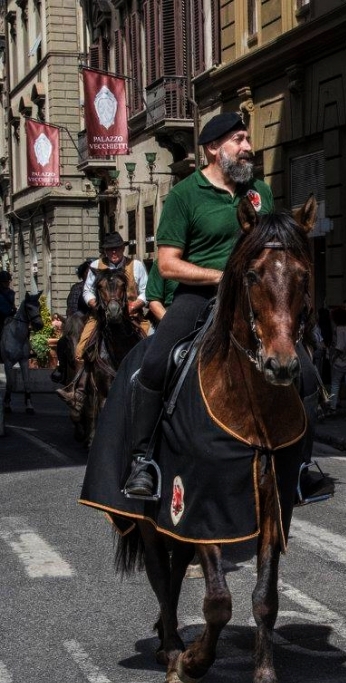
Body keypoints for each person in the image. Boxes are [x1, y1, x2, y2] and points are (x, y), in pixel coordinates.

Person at [122, 112, 280, 497]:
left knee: (302, 367)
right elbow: (167, 263)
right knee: (157, 363)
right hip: (199, 296)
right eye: (239, 139)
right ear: (213, 149)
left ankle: (301, 461)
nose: (248, 146)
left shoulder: (261, 193)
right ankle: (141, 461)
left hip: (254, 297)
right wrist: (220, 277)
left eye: (247, 139)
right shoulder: (184, 195)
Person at [76, 231, 149, 365]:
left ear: (123, 248)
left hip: (131, 316)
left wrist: (135, 305)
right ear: (105, 251)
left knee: (151, 348)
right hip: (100, 317)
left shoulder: (136, 265)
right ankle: (79, 384)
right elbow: (87, 291)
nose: (113, 252)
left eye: (117, 248)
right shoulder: (95, 266)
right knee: (80, 351)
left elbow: (146, 291)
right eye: (110, 249)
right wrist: (95, 304)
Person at [324, 306, 346, 419]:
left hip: (340, 362)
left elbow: (339, 347)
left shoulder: (339, 329)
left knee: (335, 384)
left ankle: (333, 408)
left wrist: (333, 357)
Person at [145, 261, 178, 330]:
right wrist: (171, 324)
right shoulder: (160, 263)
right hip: (168, 315)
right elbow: (154, 302)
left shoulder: (202, 260)